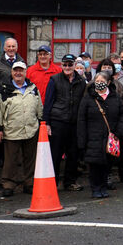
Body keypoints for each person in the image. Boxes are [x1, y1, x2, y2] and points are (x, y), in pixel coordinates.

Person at [0, 60, 43, 198]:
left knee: (30, 159)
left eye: (21, 70)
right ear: (12, 73)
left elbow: (39, 107)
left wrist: (42, 123)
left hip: (31, 129)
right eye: (16, 71)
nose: (18, 73)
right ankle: (8, 185)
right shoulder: (5, 89)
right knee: (10, 161)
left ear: (25, 72)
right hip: (11, 131)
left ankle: (29, 183)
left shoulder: (33, 88)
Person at [77, 71, 123, 198]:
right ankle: (95, 188)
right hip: (92, 137)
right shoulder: (88, 98)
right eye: (97, 82)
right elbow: (81, 119)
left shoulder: (115, 97)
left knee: (107, 164)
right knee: (94, 165)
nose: (99, 84)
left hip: (111, 137)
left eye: (102, 82)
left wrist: (119, 130)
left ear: (109, 83)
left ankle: (103, 187)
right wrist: (82, 139)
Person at [43, 56, 87, 191]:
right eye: (65, 65)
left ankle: (70, 182)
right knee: (55, 154)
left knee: (73, 154)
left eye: (70, 65)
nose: (67, 68)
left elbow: (83, 103)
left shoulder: (81, 81)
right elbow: (48, 102)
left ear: (74, 65)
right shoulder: (54, 80)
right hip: (58, 122)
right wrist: (47, 123)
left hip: (74, 123)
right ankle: (53, 182)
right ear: (61, 66)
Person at [0, 37, 23, 168]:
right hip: (2, 101)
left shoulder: (21, 61)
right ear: (4, 48)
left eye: (13, 46)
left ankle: (15, 158)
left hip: (18, 101)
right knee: (1, 131)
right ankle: (1, 157)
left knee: (17, 130)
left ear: (17, 47)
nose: (11, 49)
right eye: (8, 46)